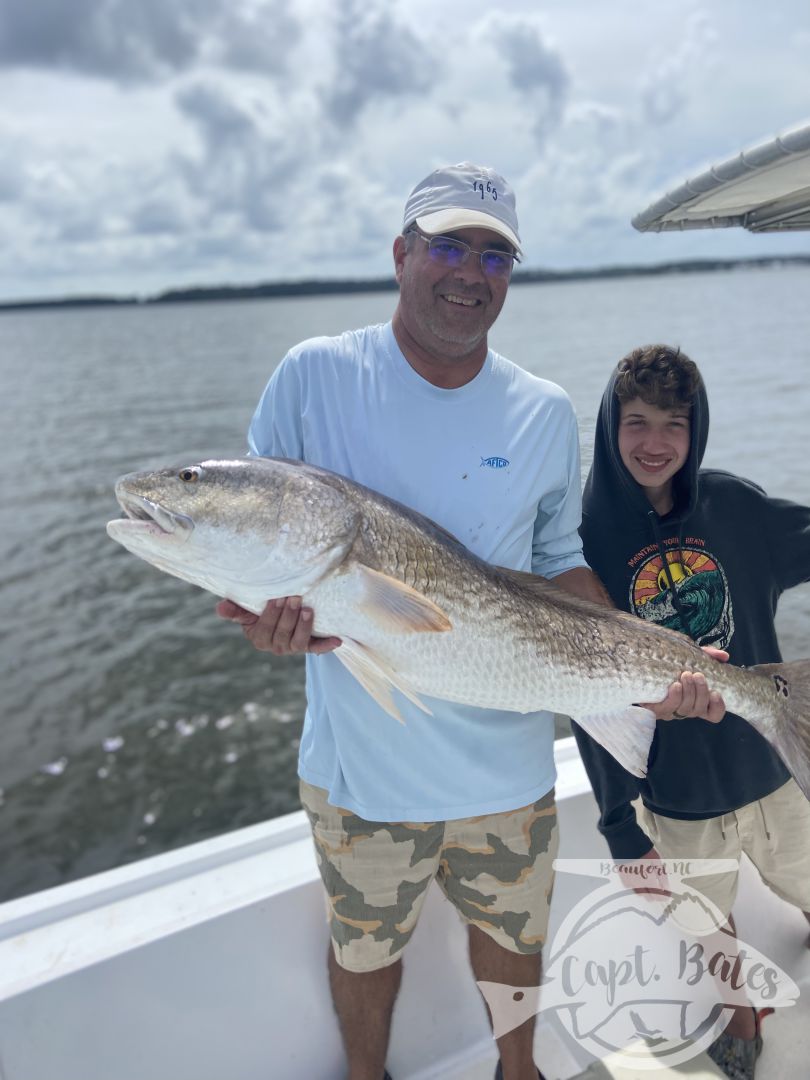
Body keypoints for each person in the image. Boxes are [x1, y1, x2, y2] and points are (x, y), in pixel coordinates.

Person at [218, 167, 718, 1080]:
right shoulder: (313, 376)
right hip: (360, 774)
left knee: (515, 939)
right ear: (401, 253)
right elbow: (263, 541)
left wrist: (659, 666)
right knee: (364, 948)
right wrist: (268, 626)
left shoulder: (539, 409)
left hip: (508, 766)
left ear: (509, 274)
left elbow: (560, 563)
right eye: (447, 245)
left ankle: (515, 1071)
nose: (468, 270)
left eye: (493, 254)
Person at [573, 344, 810, 1080]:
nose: (654, 444)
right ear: (610, 426)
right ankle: (738, 1015)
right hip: (673, 796)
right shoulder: (584, 543)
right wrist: (617, 824)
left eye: (674, 424)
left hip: (772, 768)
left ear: (696, 429)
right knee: (709, 927)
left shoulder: (735, 505)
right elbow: (586, 698)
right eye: (635, 422)